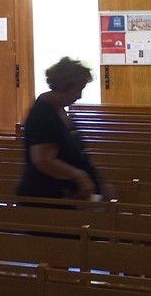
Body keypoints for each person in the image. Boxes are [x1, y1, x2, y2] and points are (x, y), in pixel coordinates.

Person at [17, 57, 111, 202]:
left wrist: (98, 181)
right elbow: (43, 160)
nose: (79, 96)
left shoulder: (58, 109)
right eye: (78, 90)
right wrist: (80, 176)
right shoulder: (43, 114)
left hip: (65, 195)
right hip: (46, 198)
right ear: (64, 86)